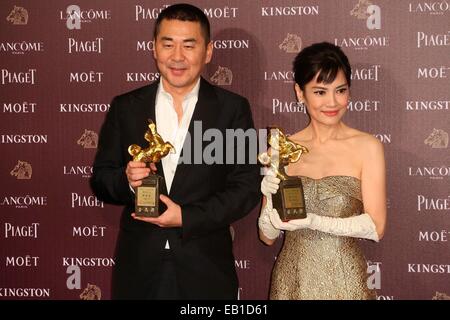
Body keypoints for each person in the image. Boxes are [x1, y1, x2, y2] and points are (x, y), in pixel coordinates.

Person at [91, 3, 260, 299]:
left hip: (206, 269)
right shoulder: (126, 108)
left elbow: (245, 188)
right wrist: (127, 182)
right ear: (154, 48)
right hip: (139, 270)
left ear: (207, 51)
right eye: (168, 44)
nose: (177, 56)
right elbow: (102, 179)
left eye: (189, 45)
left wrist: (187, 217)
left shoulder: (231, 110)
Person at [258, 42, 386, 300]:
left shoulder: (367, 147)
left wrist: (315, 222)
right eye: (320, 92)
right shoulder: (282, 148)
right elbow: (267, 236)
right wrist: (270, 204)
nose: (332, 102)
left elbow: (375, 227)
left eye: (340, 90)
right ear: (300, 93)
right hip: (291, 282)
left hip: (345, 282)